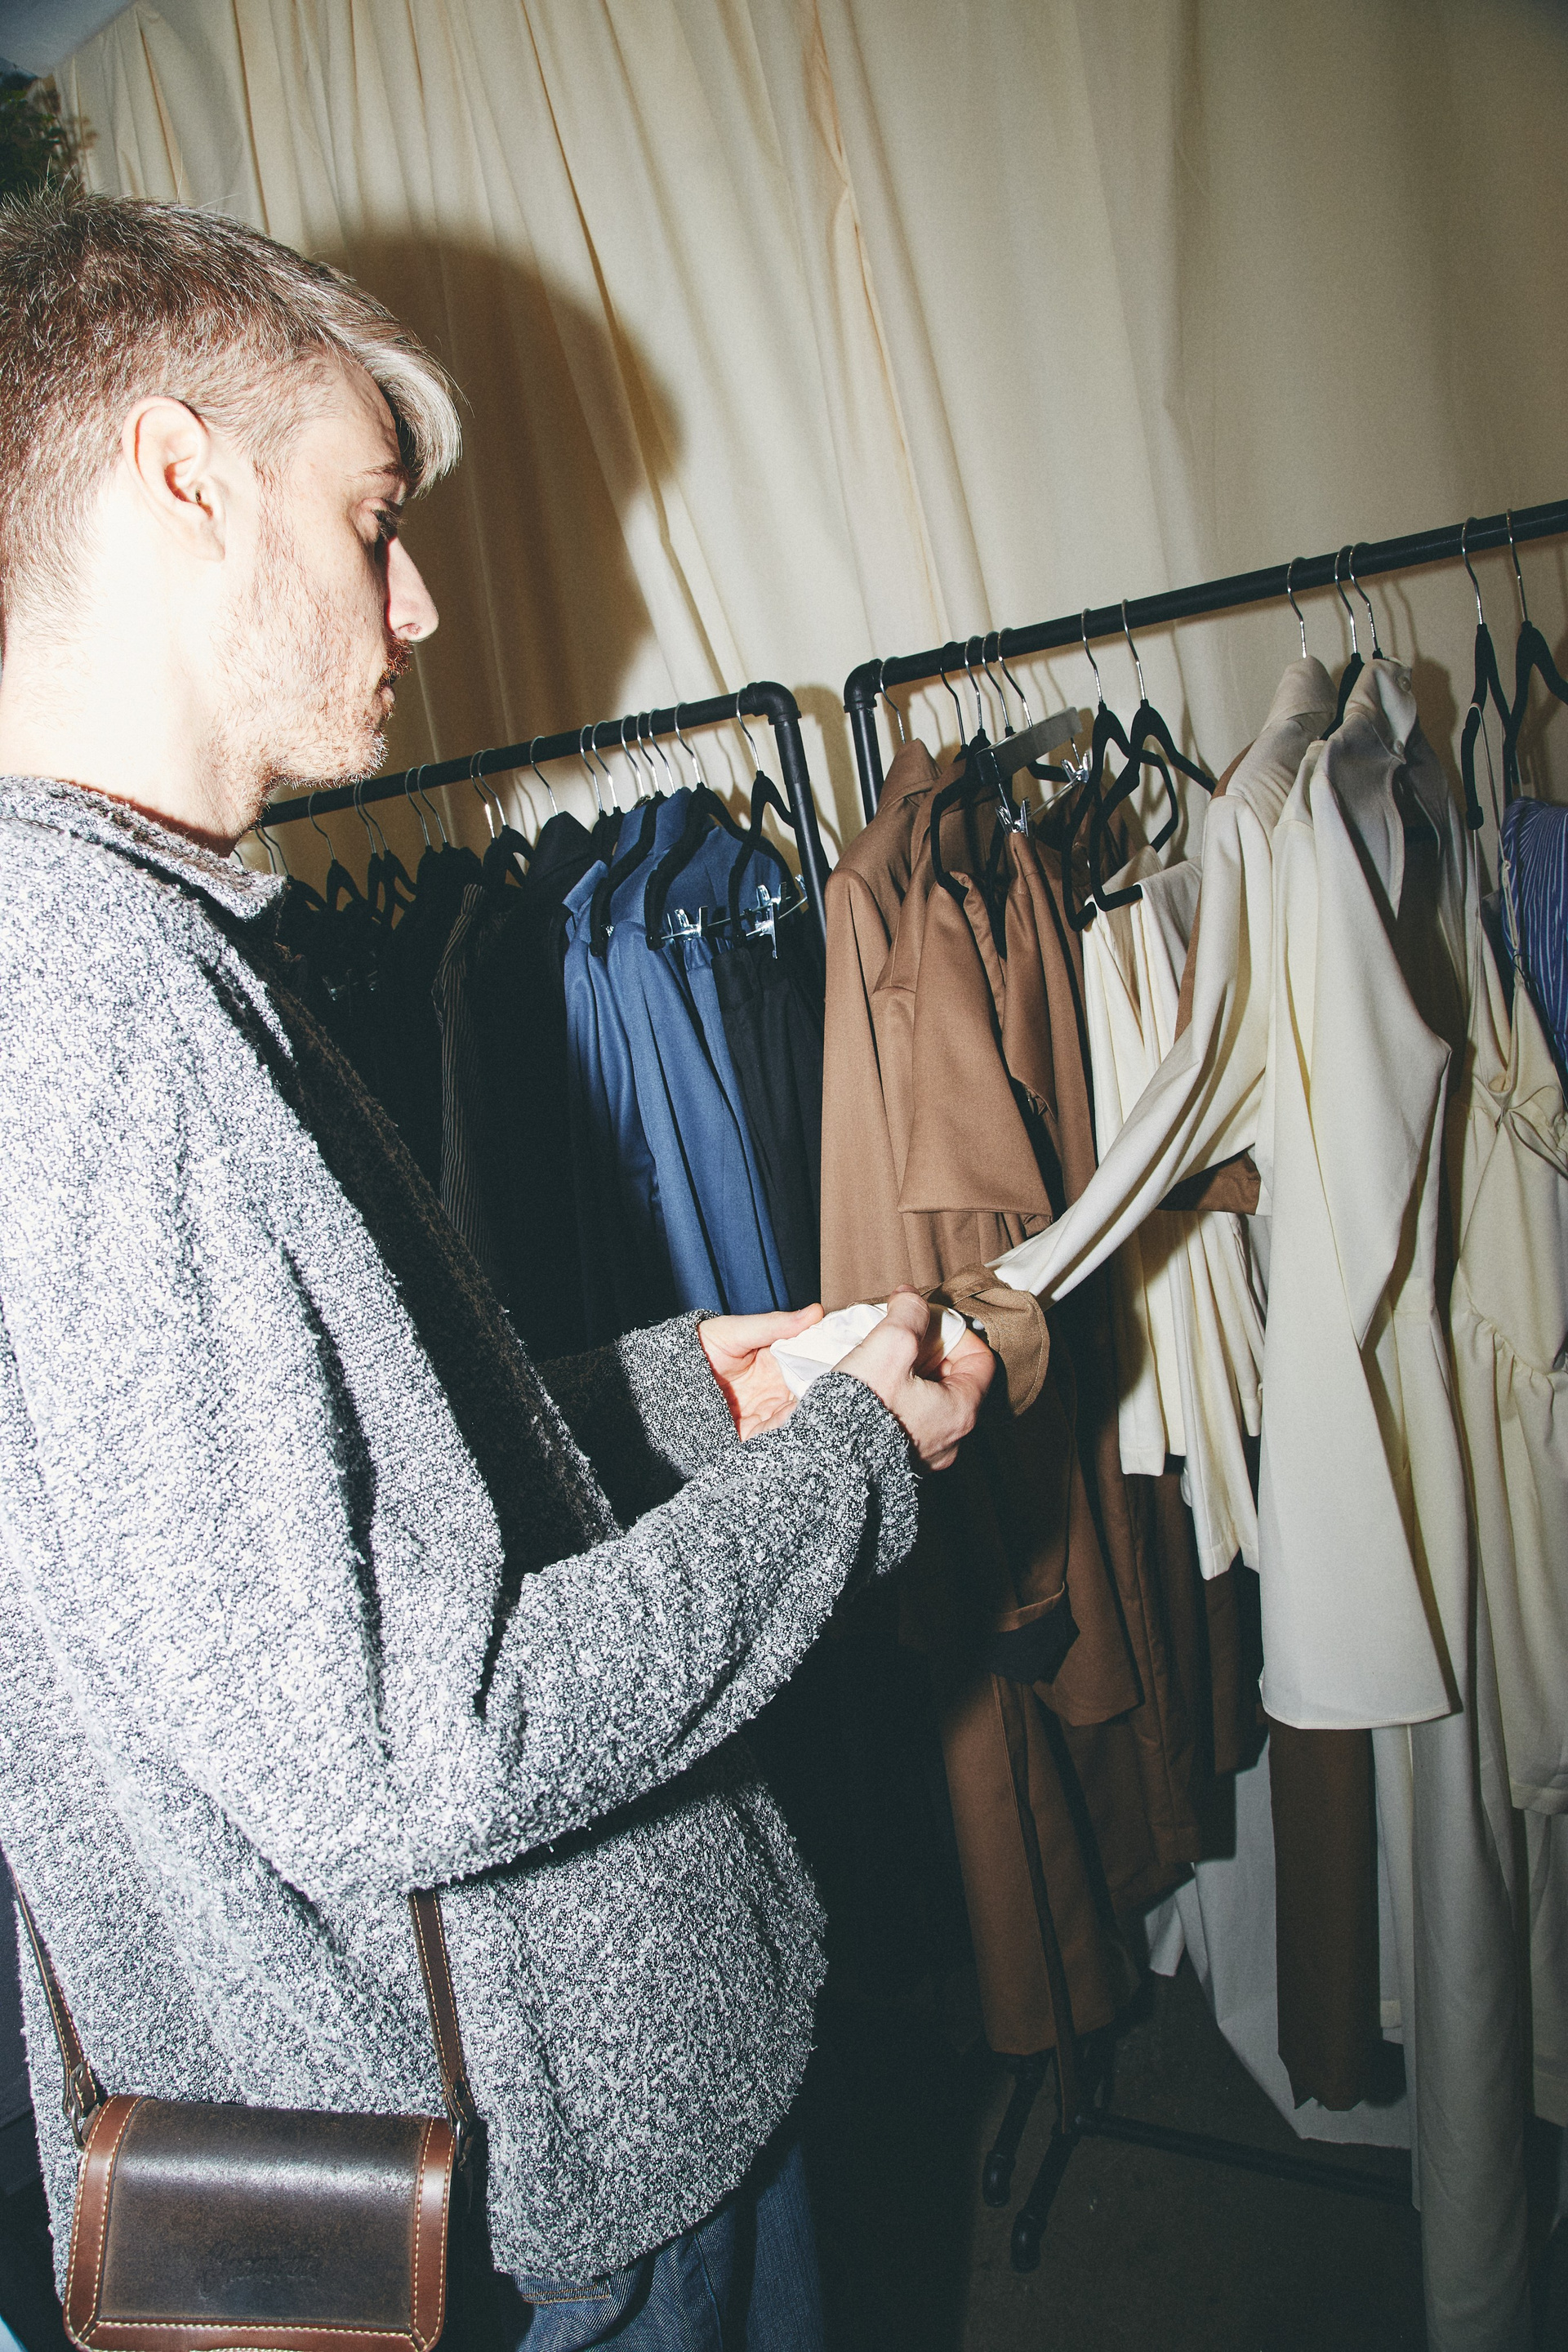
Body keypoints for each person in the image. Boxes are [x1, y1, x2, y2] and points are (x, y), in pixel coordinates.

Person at [0, 194, 992, 2350]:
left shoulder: (112, 955)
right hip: (540, 2191)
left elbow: (292, 1541)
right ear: (181, 480)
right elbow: (406, 1749)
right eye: (372, 520)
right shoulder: (104, 1016)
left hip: (475, 2128)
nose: (421, 597)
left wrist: (682, 1395)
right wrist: (842, 1466)